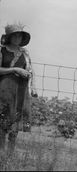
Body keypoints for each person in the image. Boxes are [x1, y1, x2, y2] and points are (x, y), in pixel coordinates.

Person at [0, 23, 37, 153]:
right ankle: (1, 154)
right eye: (14, 36)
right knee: (3, 122)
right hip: (5, 90)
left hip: (21, 90)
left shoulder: (25, 53)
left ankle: (10, 154)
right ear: (9, 37)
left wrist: (33, 86)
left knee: (15, 122)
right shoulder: (2, 50)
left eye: (20, 36)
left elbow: (30, 69)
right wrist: (15, 69)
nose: (17, 38)